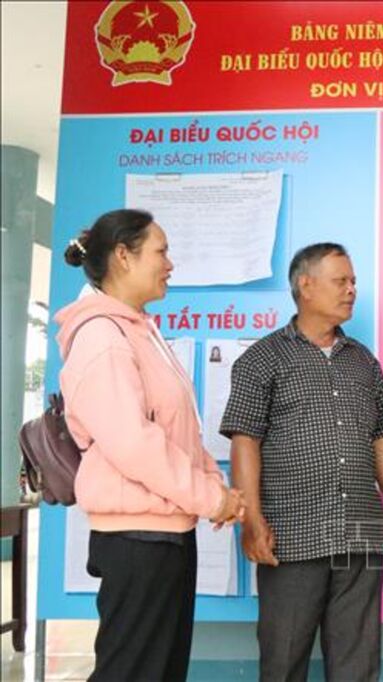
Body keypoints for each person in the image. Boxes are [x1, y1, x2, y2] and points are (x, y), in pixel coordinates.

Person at [55, 209, 245, 681]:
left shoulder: (139, 330)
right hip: (137, 540)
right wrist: (211, 498)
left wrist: (215, 489)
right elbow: (135, 445)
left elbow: (180, 430)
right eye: (161, 251)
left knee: (160, 671)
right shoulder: (102, 337)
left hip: (165, 534)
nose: (170, 264)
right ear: (123, 256)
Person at [221, 242, 383, 682]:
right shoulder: (261, 359)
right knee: (284, 661)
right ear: (305, 286)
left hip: (360, 531)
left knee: (358, 666)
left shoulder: (363, 361)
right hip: (292, 534)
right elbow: (245, 442)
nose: (351, 290)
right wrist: (252, 520)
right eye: (341, 281)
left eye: (353, 282)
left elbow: (381, 434)